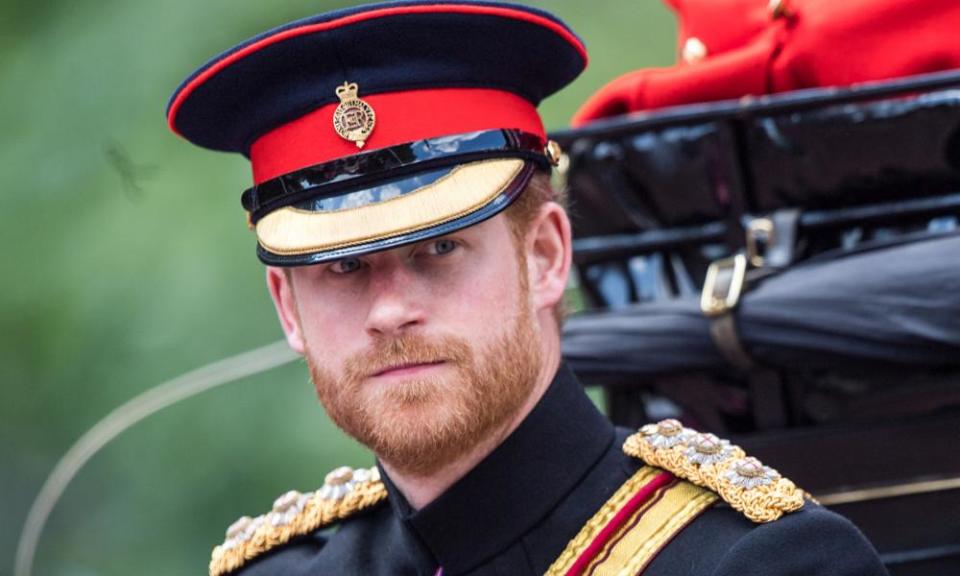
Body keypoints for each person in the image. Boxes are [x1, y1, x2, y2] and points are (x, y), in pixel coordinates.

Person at [166, 1, 887, 574]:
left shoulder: (762, 564)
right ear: (287, 308)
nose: (389, 310)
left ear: (544, 256)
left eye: (440, 247)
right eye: (343, 267)